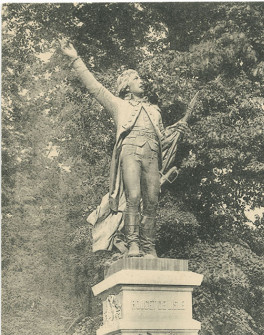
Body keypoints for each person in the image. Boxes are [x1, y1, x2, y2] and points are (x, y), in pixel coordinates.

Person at [60, 40, 187, 258]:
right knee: (133, 197)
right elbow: (95, 88)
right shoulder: (120, 105)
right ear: (126, 85)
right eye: (136, 78)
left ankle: (150, 247)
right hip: (130, 151)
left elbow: (163, 138)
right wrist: (75, 58)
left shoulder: (155, 110)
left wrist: (177, 129)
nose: (142, 81)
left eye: (141, 78)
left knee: (153, 200)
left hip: (152, 154)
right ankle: (134, 244)